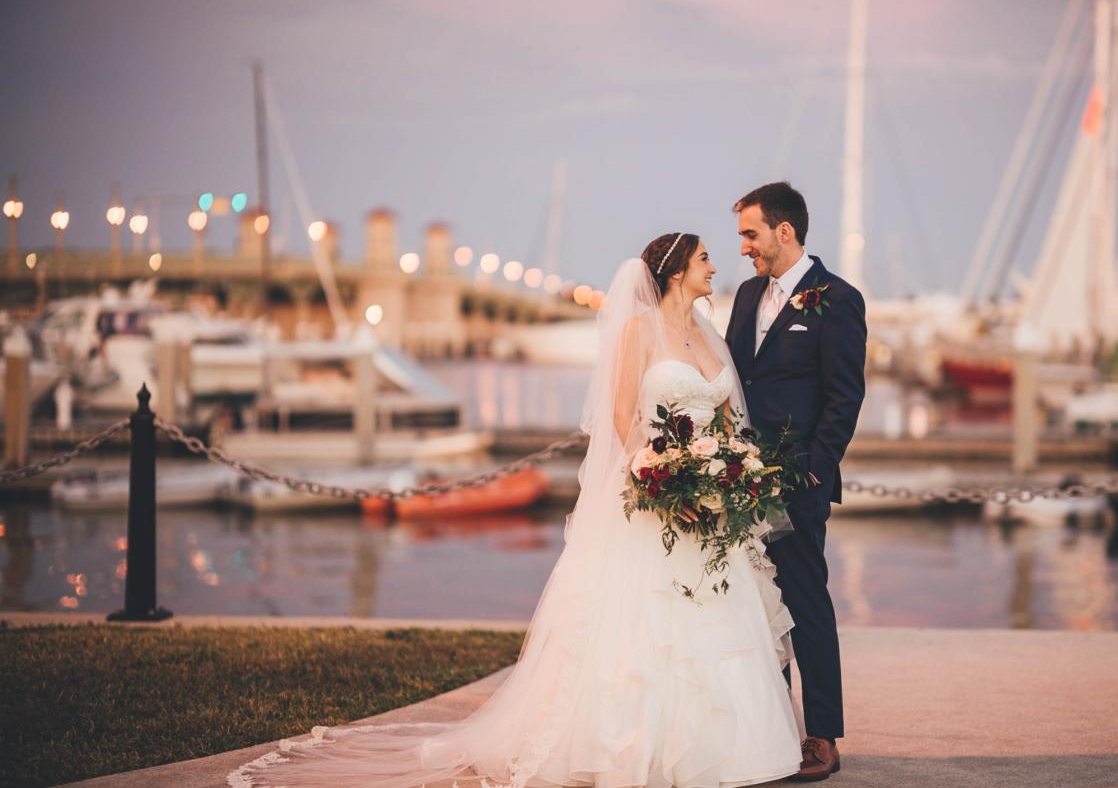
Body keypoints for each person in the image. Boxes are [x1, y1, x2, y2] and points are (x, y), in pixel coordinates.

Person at [229, 233, 802, 788]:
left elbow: (727, 421)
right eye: (704, 257)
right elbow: (623, 417)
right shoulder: (637, 331)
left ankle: (726, 751)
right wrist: (661, 477)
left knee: (717, 632)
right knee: (645, 635)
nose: (714, 265)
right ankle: (635, 753)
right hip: (658, 500)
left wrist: (728, 472)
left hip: (713, 505)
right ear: (677, 271)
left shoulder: (709, 335)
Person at [725, 182, 866, 782]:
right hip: (736, 483)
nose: (744, 249)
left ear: (785, 231)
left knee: (805, 604)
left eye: (750, 235)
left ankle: (822, 737)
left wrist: (814, 468)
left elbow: (844, 395)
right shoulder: (748, 294)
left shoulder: (838, 299)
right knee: (758, 607)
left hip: (797, 483)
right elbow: (738, 379)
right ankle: (775, 730)